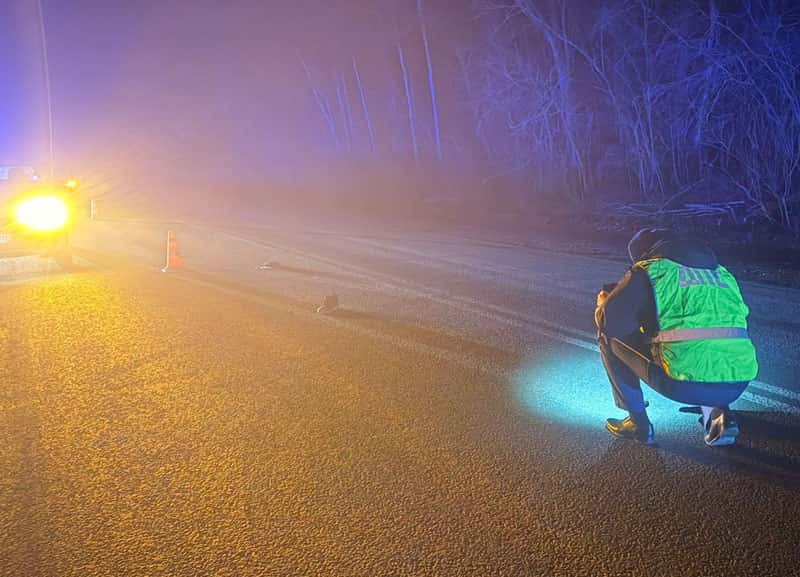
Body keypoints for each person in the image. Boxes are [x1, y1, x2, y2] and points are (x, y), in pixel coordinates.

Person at [594, 228, 758, 446]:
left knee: (607, 337)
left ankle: (638, 423)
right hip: (738, 382)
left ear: (645, 254)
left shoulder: (650, 270)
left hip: (681, 383)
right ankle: (718, 412)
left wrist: (606, 303)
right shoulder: (721, 273)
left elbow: (611, 322)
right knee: (709, 346)